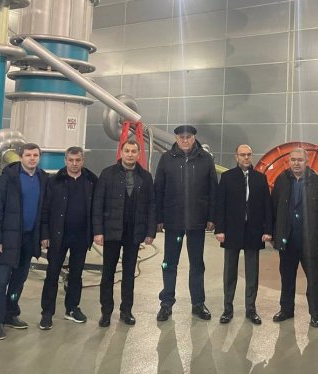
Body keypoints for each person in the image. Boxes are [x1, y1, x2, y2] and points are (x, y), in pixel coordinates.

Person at [155, 125, 217, 321]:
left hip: (197, 221)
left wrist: (212, 217)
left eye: (188, 137)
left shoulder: (206, 159)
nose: (185, 140)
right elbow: (158, 190)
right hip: (173, 220)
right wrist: (159, 218)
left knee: (197, 264)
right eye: (181, 137)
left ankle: (198, 303)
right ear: (176, 138)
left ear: (194, 138)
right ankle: (166, 304)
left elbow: (213, 190)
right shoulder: (166, 159)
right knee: (169, 263)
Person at [0, 143, 48, 340]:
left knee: (19, 280)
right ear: (20, 157)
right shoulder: (7, 179)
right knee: (0, 281)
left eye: (35, 155)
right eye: (28, 155)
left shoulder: (43, 178)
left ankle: (11, 313)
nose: (32, 158)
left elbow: (44, 211)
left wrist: (43, 235)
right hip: (7, 239)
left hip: (29, 239)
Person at [92, 140, 156, 327]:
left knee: (129, 273)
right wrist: (98, 231)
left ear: (138, 154)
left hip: (134, 233)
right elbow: (98, 203)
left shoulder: (145, 177)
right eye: (127, 151)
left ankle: (126, 311)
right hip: (111, 231)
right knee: (108, 273)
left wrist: (150, 231)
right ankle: (106, 312)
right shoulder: (107, 174)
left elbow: (152, 206)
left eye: (133, 151)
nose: (130, 154)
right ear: (121, 152)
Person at [271, 148, 318, 328]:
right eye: (293, 160)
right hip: (288, 240)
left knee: (313, 280)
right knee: (287, 278)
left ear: (306, 162)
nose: (296, 163)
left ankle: (315, 314)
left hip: (310, 242)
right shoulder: (282, 180)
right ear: (289, 161)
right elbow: (273, 208)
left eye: (300, 160)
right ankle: (286, 310)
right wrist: (275, 235)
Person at [38, 146, 98, 331]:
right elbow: (45, 209)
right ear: (65, 160)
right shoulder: (53, 181)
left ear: (83, 161)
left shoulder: (91, 181)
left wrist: (96, 232)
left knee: (76, 274)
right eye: (70, 160)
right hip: (58, 236)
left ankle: (72, 308)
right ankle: (47, 313)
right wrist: (45, 234)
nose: (74, 164)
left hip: (81, 236)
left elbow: (97, 209)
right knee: (52, 273)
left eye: (78, 160)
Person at [214, 144, 272, 325]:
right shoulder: (227, 177)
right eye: (242, 155)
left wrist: (268, 230)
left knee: (252, 273)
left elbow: (267, 206)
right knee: (230, 271)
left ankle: (251, 309)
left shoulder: (260, 179)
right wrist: (220, 229)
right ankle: (227, 309)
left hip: (254, 231)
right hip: (232, 231)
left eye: (249, 154)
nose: (246, 158)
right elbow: (220, 204)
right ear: (236, 157)